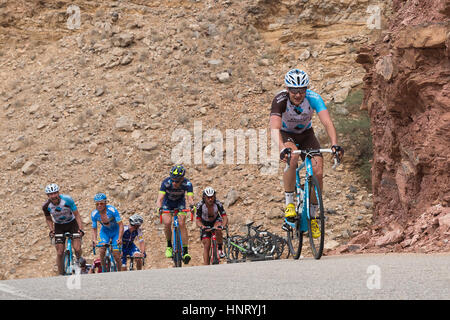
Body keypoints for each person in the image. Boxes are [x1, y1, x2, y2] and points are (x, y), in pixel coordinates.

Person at [269, 69, 344, 236]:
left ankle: (312, 216)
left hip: (306, 135)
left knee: (318, 171)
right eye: (294, 90)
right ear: (287, 89)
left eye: (302, 90)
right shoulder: (280, 100)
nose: (298, 94)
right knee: (293, 155)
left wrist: (334, 144)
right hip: (287, 134)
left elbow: (327, 122)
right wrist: (282, 148)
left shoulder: (314, 98)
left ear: (306, 89)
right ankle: (289, 203)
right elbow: (274, 128)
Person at [42, 183, 85, 276]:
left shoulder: (67, 200)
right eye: (51, 194)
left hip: (72, 223)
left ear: (58, 193)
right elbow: (48, 219)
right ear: (48, 196)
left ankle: (78, 259)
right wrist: (51, 230)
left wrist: (80, 229)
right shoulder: (46, 206)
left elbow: (77, 215)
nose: (53, 196)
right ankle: (61, 274)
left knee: (77, 248)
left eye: (55, 193)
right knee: (60, 252)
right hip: (59, 226)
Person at [156, 165, 195, 264]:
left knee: (182, 223)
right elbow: (160, 199)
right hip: (167, 204)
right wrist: (159, 208)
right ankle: (169, 245)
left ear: (182, 179)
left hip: (180, 203)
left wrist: (192, 206)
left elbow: (190, 199)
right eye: (172, 180)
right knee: (167, 222)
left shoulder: (188, 184)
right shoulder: (166, 182)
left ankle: (185, 251)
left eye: (177, 181)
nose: (174, 183)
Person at [91, 193, 124, 272]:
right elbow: (94, 228)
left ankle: (120, 271)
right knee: (102, 249)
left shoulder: (112, 210)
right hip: (105, 232)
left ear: (105, 203)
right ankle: (103, 268)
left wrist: (119, 238)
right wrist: (95, 240)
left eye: (101, 203)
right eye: (97, 204)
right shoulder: (94, 214)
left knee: (116, 255)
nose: (99, 205)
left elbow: (121, 225)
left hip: (115, 231)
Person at [195, 187, 228, 265]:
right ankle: (206, 265)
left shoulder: (218, 203)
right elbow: (197, 220)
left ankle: (220, 248)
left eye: (212, 197)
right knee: (207, 245)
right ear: (204, 197)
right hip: (205, 223)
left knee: (218, 228)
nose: (210, 199)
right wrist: (202, 226)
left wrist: (222, 226)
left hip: (216, 220)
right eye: (208, 197)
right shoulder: (200, 205)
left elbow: (224, 217)